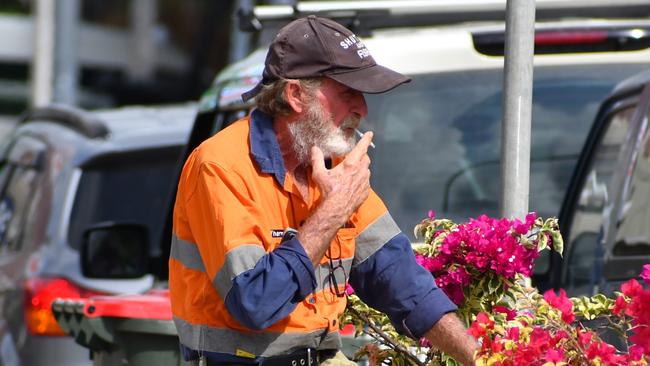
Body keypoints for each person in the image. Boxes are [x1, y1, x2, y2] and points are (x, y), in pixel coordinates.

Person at [169, 15, 478, 366]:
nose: (361, 108)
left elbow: (402, 282)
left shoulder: (332, 168)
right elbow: (254, 303)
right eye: (348, 92)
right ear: (296, 95)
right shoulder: (221, 165)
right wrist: (334, 210)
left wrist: (483, 359)